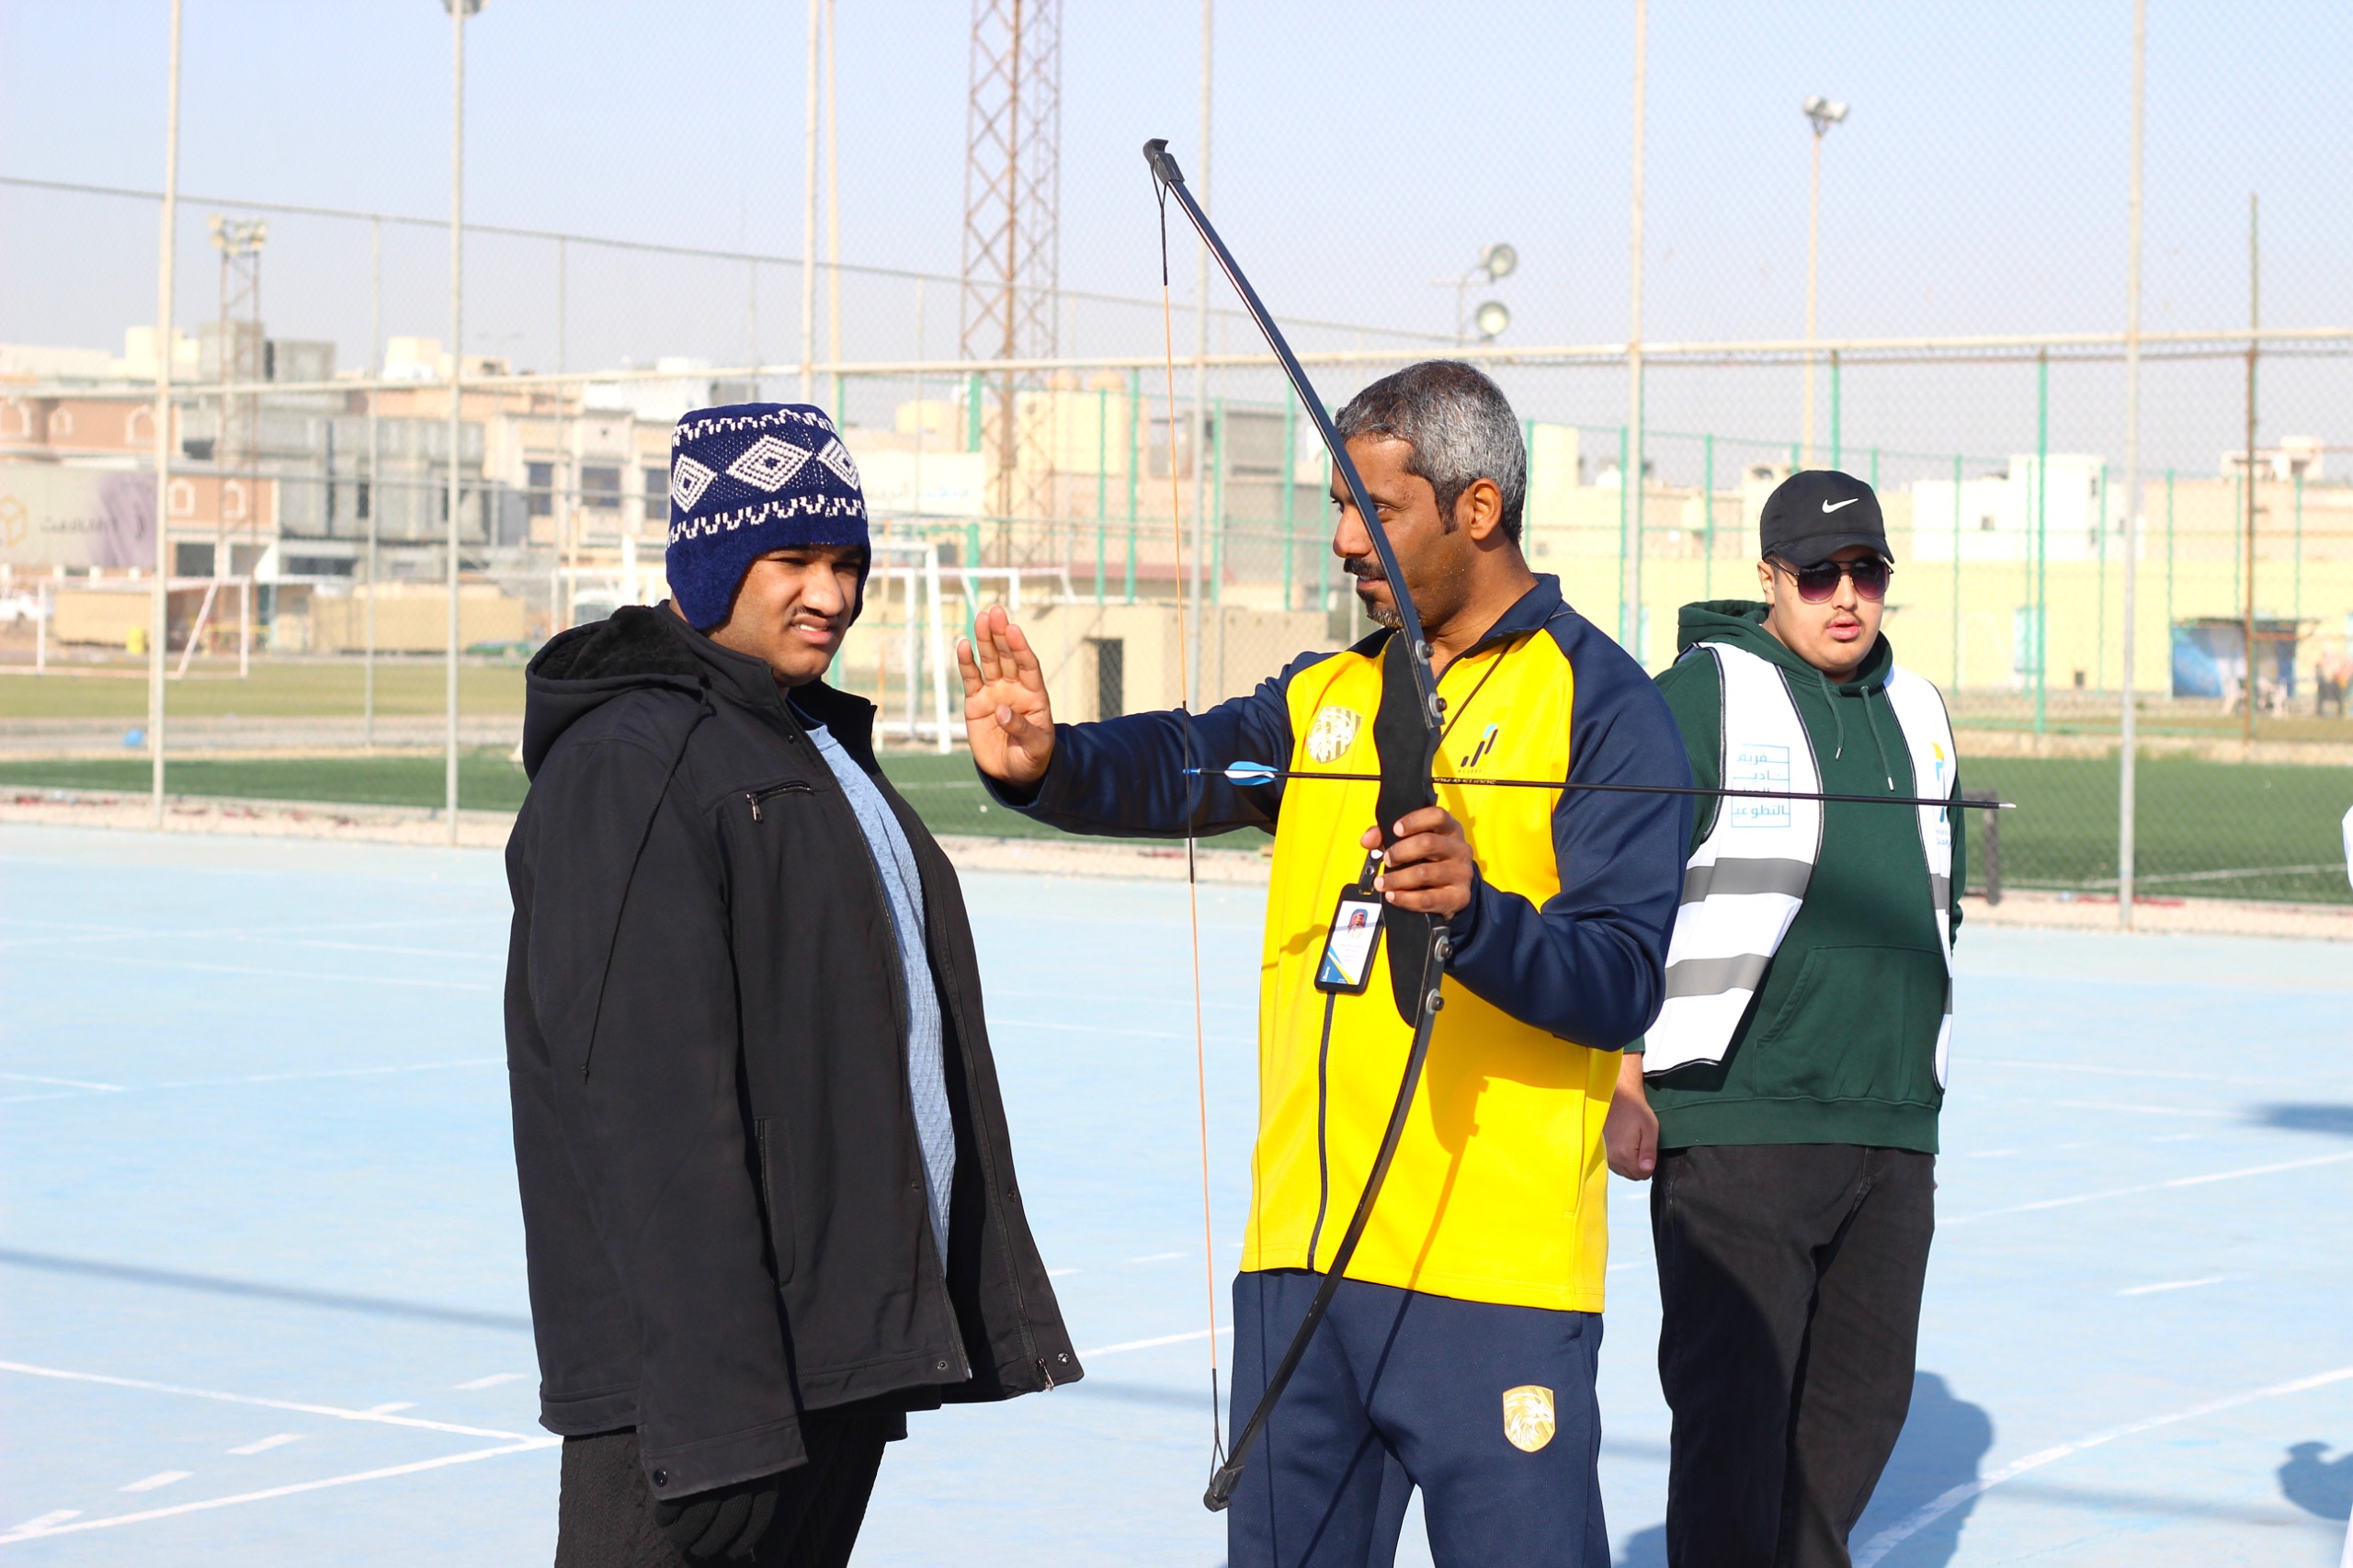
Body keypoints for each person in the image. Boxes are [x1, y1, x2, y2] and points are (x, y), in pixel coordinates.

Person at [961, 361, 1691, 1567]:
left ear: (1477, 508)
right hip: (1300, 1271)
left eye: (1376, 508)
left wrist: (1480, 916)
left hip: (1491, 1280)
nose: (1346, 539)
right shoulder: (1327, 695)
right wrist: (1049, 761)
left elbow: (1621, 977)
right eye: (1338, 506)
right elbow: (1191, 761)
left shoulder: (1600, 703)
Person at [506, 403, 1079, 1568]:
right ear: (711, 561)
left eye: (847, 562)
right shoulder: (632, 760)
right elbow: (645, 1109)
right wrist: (719, 1414)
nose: (831, 593)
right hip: (706, 1401)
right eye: (793, 560)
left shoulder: (800, 737)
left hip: (822, 1358)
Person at [1605, 470, 1965, 1568]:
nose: (1844, 595)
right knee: (1733, 1432)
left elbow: (1940, 901)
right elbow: (1615, 890)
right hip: (1735, 1123)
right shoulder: (1699, 695)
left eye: (1866, 571)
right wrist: (1621, 1071)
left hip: (1890, 1125)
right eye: (1817, 574)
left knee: (1856, 1419)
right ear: (1768, 576)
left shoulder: (1921, 710)